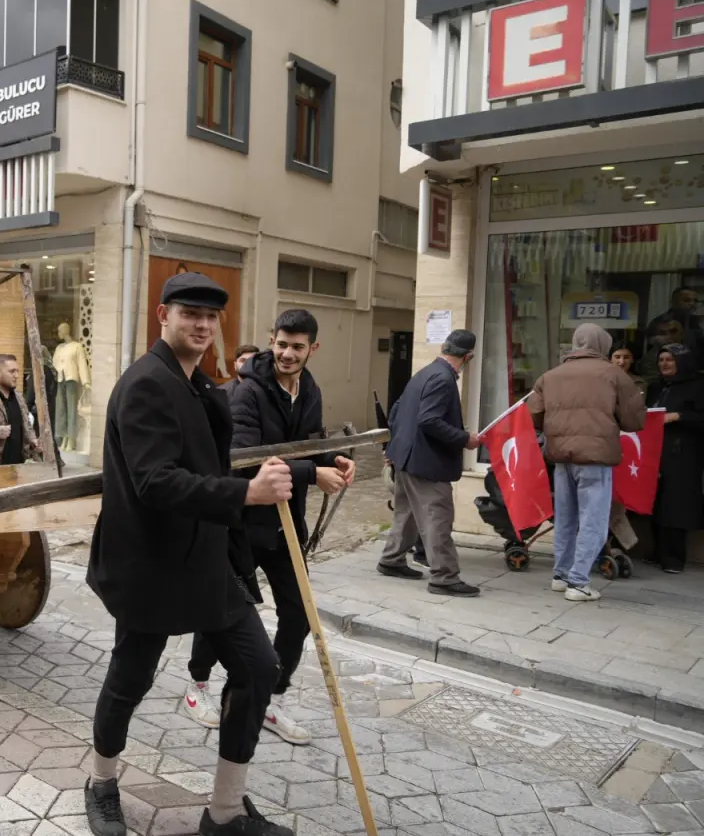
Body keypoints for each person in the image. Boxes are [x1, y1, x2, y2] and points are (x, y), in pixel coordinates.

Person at [85, 272, 295, 836]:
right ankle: (101, 782)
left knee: (258, 666)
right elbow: (155, 481)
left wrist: (307, 471)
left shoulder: (198, 384)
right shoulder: (147, 384)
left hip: (204, 561)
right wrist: (246, 494)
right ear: (163, 316)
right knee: (131, 678)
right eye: (189, 314)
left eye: (211, 317)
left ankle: (224, 812)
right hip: (148, 564)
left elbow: (217, 464)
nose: (202, 325)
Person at [184, 310, 354, 744]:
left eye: (298, 347)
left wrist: (330, 461)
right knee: (221, 609)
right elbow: (246, 458)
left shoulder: (309, 389)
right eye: (281, 344)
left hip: (284, 524)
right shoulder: (247, 393)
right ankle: (197, 685)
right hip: (242, 520)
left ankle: (270, 699)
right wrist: (312, 475)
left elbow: (309, 445)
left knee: (299, 614)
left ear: (312, 349)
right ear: (271, 340)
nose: (287, 353)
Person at [526, 324, 646, 601]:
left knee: (566, 518)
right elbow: (634, 420)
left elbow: (534, 415)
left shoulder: (550, 376)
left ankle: (561, 574)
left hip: (561, 455)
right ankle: (579, 582)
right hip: (596, 456)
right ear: (602, 344)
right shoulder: (613, 375)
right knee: (593, 520)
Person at [377, 330, 482, 596]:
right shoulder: (444, 379)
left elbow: (398, 410)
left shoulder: (425, 373)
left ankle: (392, 560)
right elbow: (429, 420)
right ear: (468, 356)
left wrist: (394, 447)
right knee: (438, 517)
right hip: (426, 461)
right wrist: (463, 438)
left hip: (407, 457)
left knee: (408, 513)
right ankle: (445, 577)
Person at [648, 343, 704, 574]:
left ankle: (674, 557)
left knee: (677, 505)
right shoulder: (656, 387)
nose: (664, 364)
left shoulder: (698, 386)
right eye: (661, 360)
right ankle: (657, 552)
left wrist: (678, 416)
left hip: (684, 455)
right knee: (656, 501)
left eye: (670, 360)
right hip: (657, 452)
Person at [646, 287, 704, 362]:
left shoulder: (696, 322)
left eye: (695, 301)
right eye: (686, 300)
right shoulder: (659, 323)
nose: (692, 304)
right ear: (674, 302)